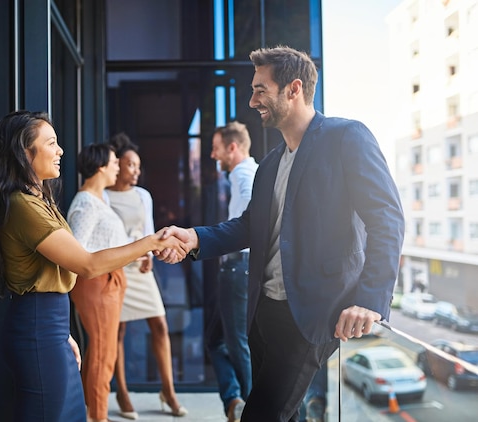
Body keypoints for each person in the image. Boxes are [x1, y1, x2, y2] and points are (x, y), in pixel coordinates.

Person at [155, 45, 405, 422]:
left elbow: (387, 217)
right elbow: (248, 226)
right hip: (263, 310)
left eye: (260, 89)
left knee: (262, 415)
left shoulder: (347, 137)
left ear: (294, 89)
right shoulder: (271, 163)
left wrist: (370, 299)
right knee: (288, 415)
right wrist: (195, 237)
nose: (252, 99)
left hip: (312, 313)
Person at [0, 110, 189, 422]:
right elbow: (87, 264)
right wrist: (151, 242)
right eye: (51, 143)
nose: (60, 150)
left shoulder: (39, 201)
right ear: (24, 153)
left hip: (49, 326)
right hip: (38, 327)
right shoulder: (24, 207)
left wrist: (62, 334)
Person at [106, 133, 187, 419]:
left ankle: (169, 391)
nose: (136, 170)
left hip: (140, 268)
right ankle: (122, 392)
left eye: (138, 166)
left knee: (160, 326)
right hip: (114, 268)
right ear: (117, 164)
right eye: (131, 165)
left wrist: (150, 258)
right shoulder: (102, 194)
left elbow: (149, 231)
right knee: (117, 331)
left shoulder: (143, 195)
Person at [67, 143, 132, 422]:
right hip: (97, 284)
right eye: (114, 161)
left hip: (111, 280)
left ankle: (93, 413)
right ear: (101, 166)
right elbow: (76, 251)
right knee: (103, 353)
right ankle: (98, 416)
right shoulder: (85, 203)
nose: (118, 165)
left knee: (102, 350)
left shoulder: (100, 199)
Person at [206, 122, 257, 422]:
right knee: (217, 340)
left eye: (216, 148)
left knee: (237, 344)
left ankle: (252, 409)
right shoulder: (246, 172)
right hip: (238, 267)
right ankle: (234, 400)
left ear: (233, 147)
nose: (213, 155)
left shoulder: (244, 173)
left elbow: (254, 205)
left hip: (240, 267)